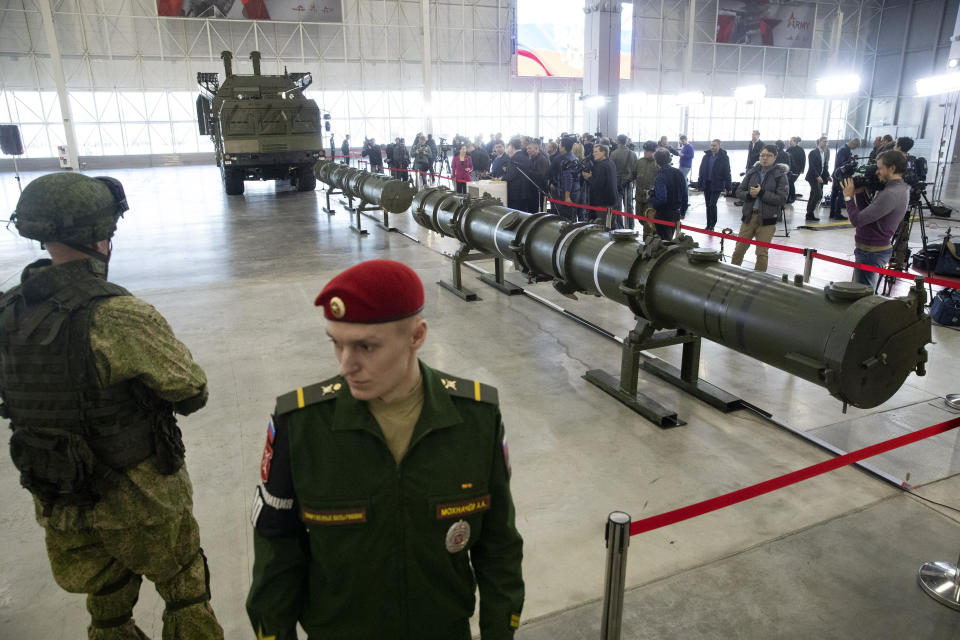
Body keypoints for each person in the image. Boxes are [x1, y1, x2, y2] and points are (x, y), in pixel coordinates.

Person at [246, 259, 525, 640]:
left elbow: (499, 547)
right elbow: (276, 556)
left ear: (416, 336)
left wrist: (500, 631)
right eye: (337, 344)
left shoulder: (476, 420)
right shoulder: (300, 427)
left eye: (366, 347)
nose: (346, 365)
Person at [1, 173, 223, 638]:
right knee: (184, 590)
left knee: (106, 604)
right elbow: (190, 391)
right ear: (103, 235)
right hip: (138, 496)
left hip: (58, 494)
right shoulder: (117, 313)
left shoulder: (9, 310)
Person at [840, 150, 910, 291]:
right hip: (871, 250)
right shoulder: (900, 188)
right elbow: (869, 216)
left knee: (863, 296)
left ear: (892, 168)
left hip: (871, 252)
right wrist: (859, 194)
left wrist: (848, 198)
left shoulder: (890, 194)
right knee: (861, 291)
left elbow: (857, 220)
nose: (877, 172)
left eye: (879, 168)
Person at [732, 145, 789, 271]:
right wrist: (748, 195)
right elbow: (739, 191)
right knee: (738, 250)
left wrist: (761, 193)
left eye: (768, 156)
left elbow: (782, 199)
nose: (764, 158)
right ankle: (731, 275)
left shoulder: (780, 175)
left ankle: (759, 281)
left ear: (775, 157)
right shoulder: (753, 172)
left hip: (767, 221)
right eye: (762, 155)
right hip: (748, 217)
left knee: (761, 254)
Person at [647, 149, 688, 240]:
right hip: (676, 213)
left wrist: (651, 199)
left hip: (663, 214)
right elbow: (685, 193)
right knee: (670, 239)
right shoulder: (679, 173)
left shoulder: (660, 176)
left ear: (656, 161)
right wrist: (683, 211)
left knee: (663, 244)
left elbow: (662, 198)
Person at [697, 139, 731, 231]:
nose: (713, 147)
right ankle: (708, 225)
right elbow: (701, 170)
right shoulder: (706, 157)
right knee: (708, 205)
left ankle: (712, 224)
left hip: (717, 184)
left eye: (715, 145)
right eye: (711, 145)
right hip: (707, 184)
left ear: (719, 146)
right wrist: (699, 184)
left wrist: (729, 187)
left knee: (712, 204)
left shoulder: (724, 157)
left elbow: (727, 172)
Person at [582, 144, 618, 225]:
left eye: (596, 152)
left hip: (603, 202)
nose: (593, 154)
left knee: (603, 228)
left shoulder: (601, 166)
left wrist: (588, 178)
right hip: (612, 200)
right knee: (611, 224)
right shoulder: (610, 162)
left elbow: (597, 184)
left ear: (603, 152)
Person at [829, 137, 861, 220]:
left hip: (837, 174)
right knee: (840, 194)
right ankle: (837, 213)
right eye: (856, 147)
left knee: (834, 194)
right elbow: (841, 164)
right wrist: (850, 165)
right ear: (854, 144)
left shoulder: (844, 148)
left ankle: (832, 213)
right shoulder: (844, 150)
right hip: (840, 175)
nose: (855, 149)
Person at [632, 140, 659, 234]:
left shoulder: (657, 164)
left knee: (649, 223)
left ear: (653, 152)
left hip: (651, 198)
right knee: (640, 217)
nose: (645, 152)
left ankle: (648, 240)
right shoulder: (640, 162)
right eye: (645, 150)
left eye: (648, 151)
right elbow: (633, 174)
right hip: (639, 196)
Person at [610, 134, 638, 218]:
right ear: (626, 141)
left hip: (617, 182)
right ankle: (630, 226)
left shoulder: (614, 154)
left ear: (617, 141)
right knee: (629, 206)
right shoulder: (633, 154)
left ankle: (619, 226)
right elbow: (635, 170)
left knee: (617, 206)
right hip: (628, 182)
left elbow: (611, 169)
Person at [556, 136, 582, 222]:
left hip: (569, 192)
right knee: (572, 215)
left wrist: (567, 196)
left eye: (560, 144)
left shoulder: (566, 160)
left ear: (563, 147)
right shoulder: (574, 157)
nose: (559, 146)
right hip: (576, 190)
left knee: (567, 218)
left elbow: (568, 179)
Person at [805, 136, 830, 221]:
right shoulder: (813, 152)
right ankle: (809, 213)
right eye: (824, 141)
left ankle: (809, 214)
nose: (826, 143)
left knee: (813, 194)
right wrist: (817, 176)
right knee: (818, 194)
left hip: (820, 176)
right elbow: (812, 166)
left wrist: (828, 175)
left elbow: (825, 166)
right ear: (819, 142)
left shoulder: (825, 152)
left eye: (827, 142)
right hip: (812, 177)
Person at [504, 138, 533, 212]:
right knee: (524, 212)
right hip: (525, 190)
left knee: (515, 213)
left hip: (515, 191)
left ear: (512, 147)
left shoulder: (514, 157)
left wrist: (501, 178)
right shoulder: (525, 156)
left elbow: (511, 175)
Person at [526, 140, 549, 212]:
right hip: (532, 189)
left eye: (529, 148)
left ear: (536, 149)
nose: (527, 151)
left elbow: (541, 175)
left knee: (537, 210)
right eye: (527, 149)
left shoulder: (541, 159)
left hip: (539, 189)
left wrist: (528, 172)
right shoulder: (532, 158)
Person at [786, 136, 805, 204]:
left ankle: (792, 197)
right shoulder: (789, 149)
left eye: (791, 141)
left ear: (795, 142)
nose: (789, 142)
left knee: (791, 182)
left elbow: (803, 160)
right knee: (790, 183)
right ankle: (790, 196)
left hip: (797, 169)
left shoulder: (800, 149)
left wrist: (802, 169)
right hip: (790, 169)